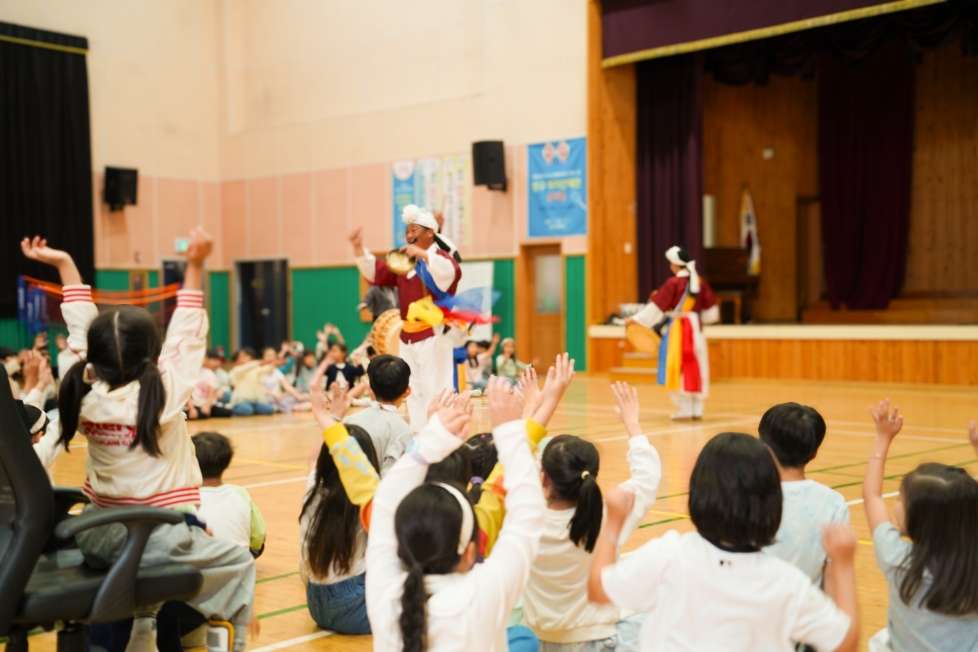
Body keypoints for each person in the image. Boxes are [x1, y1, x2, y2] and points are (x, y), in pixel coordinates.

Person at [21, 230, 256, 652]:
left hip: (94, 536)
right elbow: (187, 333)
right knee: (237, 562)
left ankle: (143, 625)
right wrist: (195, 264)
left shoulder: (82, 392)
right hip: (152, 540)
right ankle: (229, 637)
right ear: (153, 354)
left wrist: (64, 265)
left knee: (174, 539)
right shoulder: (162, 397)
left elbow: (80, 330)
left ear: (94, 357)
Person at [588, 432, 859, 652]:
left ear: (698, 492)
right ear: (773, 500)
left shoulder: (669, 554)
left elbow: (599, 591)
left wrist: (612, 524)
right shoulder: (784, 580)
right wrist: (844, 565)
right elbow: (844, 643)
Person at [366, 377, 545, 652]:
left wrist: (431, 437)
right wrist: (510, 430)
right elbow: (527, 513)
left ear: (400, 543)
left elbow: (385, 500)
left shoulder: (385, 592)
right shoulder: (486, 593)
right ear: (470, 553)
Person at [524, 381, 660, 651]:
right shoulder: (606, 515)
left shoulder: (524, 518)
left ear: (543, 479)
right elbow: (648, 477)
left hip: (539, 642)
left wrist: (530, 411)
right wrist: (632, 423)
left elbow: (510, 465)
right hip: (596, 642)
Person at [862, 400, 978, 651]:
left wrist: (882, 438)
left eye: (900, 499)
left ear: (918, 518)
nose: (896, 503)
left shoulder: (897, 559)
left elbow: (872, 496)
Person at [350, 204, 462, 430]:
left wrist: (423, 255)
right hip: (407, 335)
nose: (409, 235)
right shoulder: (405, 262)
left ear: (430, 232)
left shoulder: (439, 258)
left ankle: (440, 432)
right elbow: (379, 272)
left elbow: (452, 273)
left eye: (414, 230)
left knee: (435, 387)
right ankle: (419, 432)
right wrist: (359, 248)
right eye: (407, 231)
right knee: (413, 388)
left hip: (433, 333)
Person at [624, 245, 719, 420]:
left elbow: (655, 308)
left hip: (678, 331)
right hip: (696, 331)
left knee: (678, 366)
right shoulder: (700, 282)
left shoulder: (673, 283)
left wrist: (636, 319)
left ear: (675, 265)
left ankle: (685, 409)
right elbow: (711, 313)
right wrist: (695, 320)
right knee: (697, 365)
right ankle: (697, 409)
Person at [759, 403, 849, 587]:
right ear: (814, 453)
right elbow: (833, 577)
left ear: (764, 447)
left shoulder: (747, 494)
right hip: (808, 603)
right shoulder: (834, 503)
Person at [192, 432, 266, 558]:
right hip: (239, 561)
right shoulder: (241, 493)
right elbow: (258, 535)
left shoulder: (184, 497)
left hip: (198, 563)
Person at [342, 353, 414, 476]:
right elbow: (392, 478)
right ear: (407, 391)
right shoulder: (403, 431)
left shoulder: (348, 420)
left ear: (370, 389)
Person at [259, 346, 311, 413]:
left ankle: (286, 407)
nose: (270, 358)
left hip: (279, 398)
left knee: (295, 397)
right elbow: (261, 389)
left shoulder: (276, 372)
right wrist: (275, 395)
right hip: (267, 398)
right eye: (268, 355)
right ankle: (290, 408)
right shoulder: (259, 372)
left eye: (272, 355)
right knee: (269, 400)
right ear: (262, 357)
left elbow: (287, 386)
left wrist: (298, 397)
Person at [228, 347, 276, 416]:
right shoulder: (237, 370)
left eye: (245, 356)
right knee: (247, 410)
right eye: (240, 357)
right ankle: (232, 409)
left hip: (254, 401)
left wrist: (274, 364)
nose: (242, 358)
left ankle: (252, 409)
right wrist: (259, 362)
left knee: (269, 409)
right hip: (241, 401)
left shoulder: (255, 370)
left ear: (251, 358)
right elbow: (246, 367)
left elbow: (267, 369)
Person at [187, 352, 234, 420]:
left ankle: (206, 412)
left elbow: (211, 393)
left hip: (206, 404)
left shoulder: (208, 372)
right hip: (193, 405)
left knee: (228, 412)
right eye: (204, 357)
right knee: (199, 414)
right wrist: (191, 408)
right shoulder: (187, 373)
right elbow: (186, 394)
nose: (206, 359)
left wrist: (207, 406)